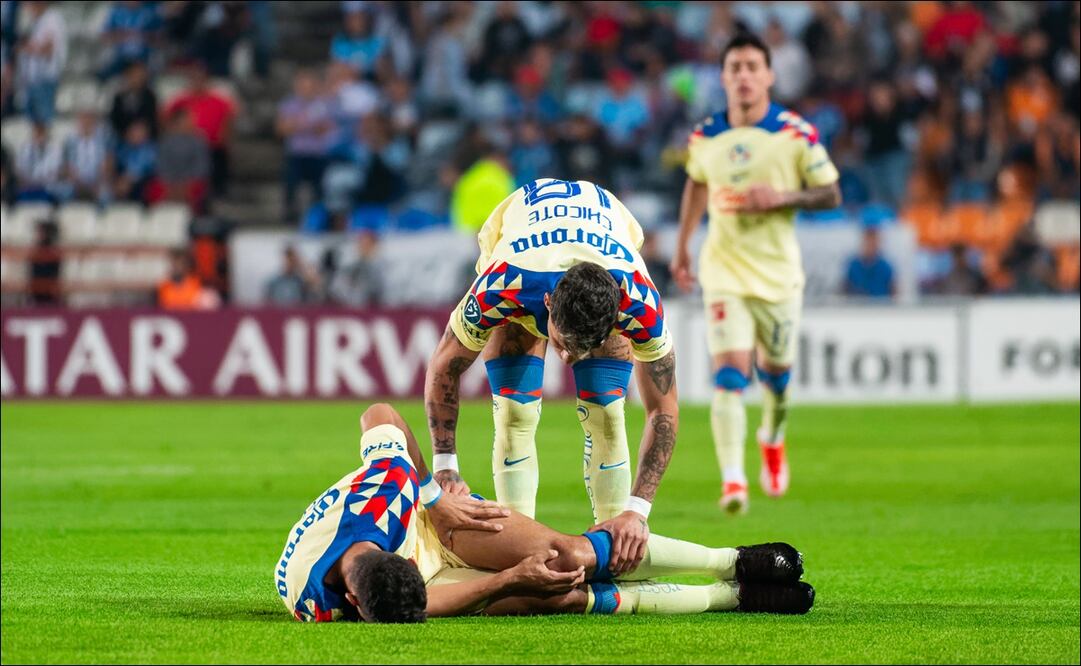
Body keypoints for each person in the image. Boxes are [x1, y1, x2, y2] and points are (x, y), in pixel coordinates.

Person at [276, 402, 815, 622]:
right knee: (555, 594)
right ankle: (736, 596)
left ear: (352, 595)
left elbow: (380, 413)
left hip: (432, 526)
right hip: (413, 567)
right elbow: (420, 605)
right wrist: (510, 581)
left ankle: (733, 559)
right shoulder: (315, 597)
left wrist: (434, 501)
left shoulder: (384, 491)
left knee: (567, 556)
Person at [427, 177, 677, 578]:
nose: (564, 357)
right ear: (547, 304)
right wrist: (445, 464)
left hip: (608, 231)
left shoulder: (639, 304)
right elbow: (445, 366)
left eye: (578, 348)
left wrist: (637, 512)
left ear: (614, 321)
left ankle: (614, 553)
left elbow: (662, 410)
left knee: (608, 415)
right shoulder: (503, 286)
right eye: (561, 341)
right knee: (513, 414)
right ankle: (516, 553)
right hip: (522, 236)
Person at [669, 33, 842, 515]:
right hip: (723, 270)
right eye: (735, 67)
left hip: (778, 276)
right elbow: (696, 184)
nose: (744, 75)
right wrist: (683, 245)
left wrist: (783, 197)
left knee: (777, 376)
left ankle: (773, 436)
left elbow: (831, 193)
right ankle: (733, 481)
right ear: (723, 77)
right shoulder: (704, 136)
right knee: (729, 375)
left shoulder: (795, 133)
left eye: (752, 67)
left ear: (769, 75)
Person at [843, 227, 895, 299]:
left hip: (881, 307)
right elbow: (844, 292)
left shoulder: (886, 267)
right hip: (857, 307)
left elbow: (894, 294)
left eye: (874, 242)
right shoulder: (853, 265)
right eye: (868, 241)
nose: (871, 245)